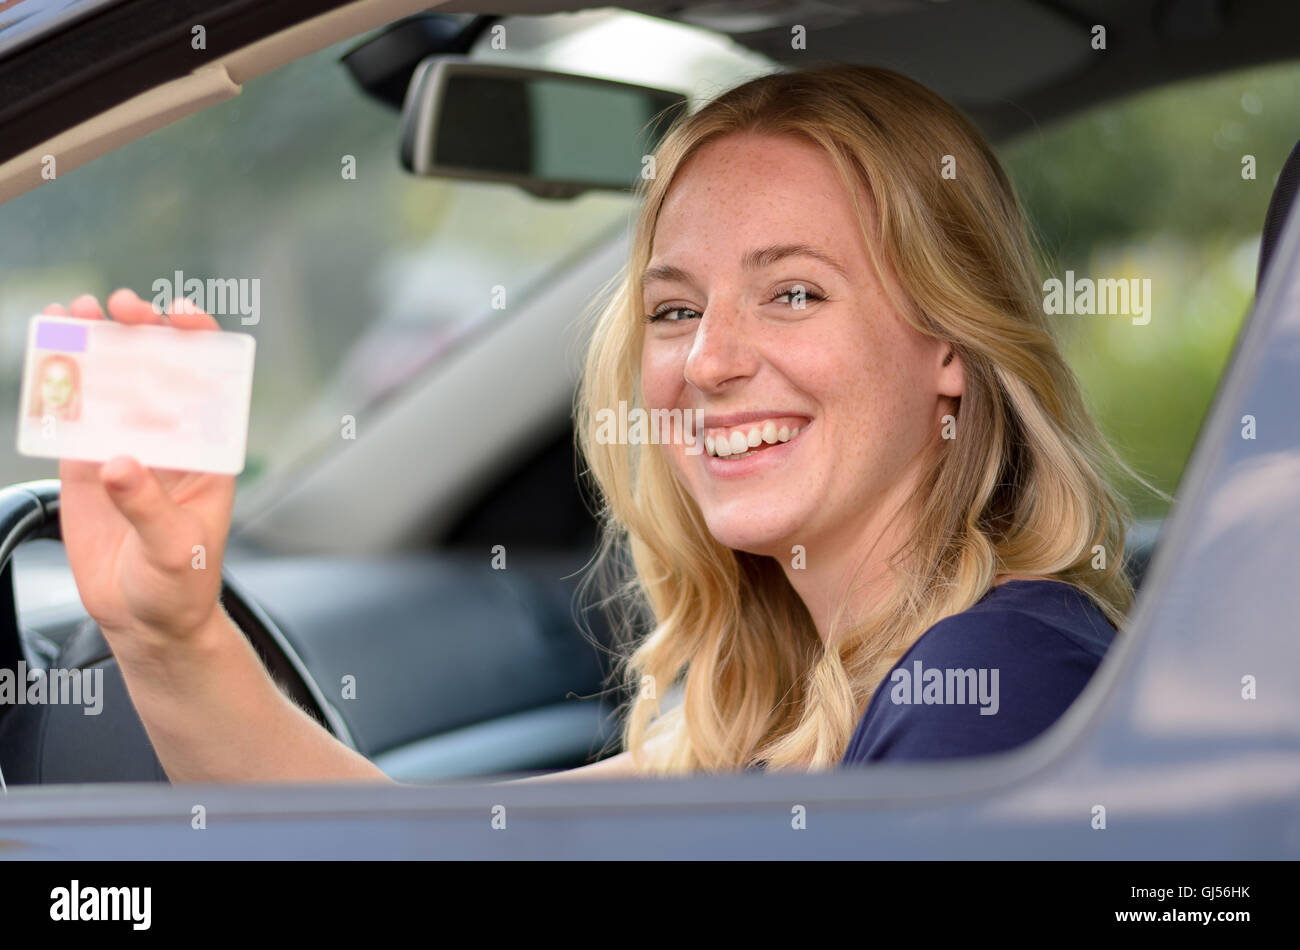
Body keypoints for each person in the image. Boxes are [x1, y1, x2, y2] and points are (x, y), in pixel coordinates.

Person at [47, 65, 1141, 783]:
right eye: (675, 308)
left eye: (794, 292)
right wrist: (166, 633)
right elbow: (412, 855)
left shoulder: (995, 690)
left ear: (948, 344)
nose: (709, 360)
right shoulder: (783, 695)